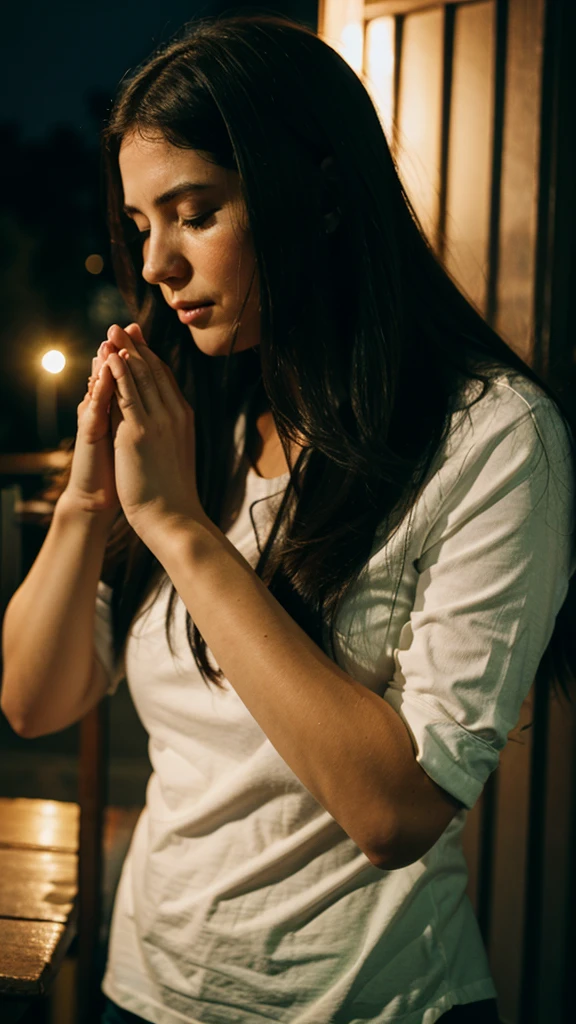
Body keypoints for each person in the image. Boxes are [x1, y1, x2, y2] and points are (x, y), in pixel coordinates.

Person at [2, 12, 575, 1024]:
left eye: (195, 211)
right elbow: (33, 700)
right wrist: (93, 499)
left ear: (317, 194)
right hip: (145, 990)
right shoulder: (203, 416)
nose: (157, 267)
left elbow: (395, 810)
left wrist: (184, 532)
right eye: (142, 227)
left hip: (370, 1002)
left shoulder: (494, 437)